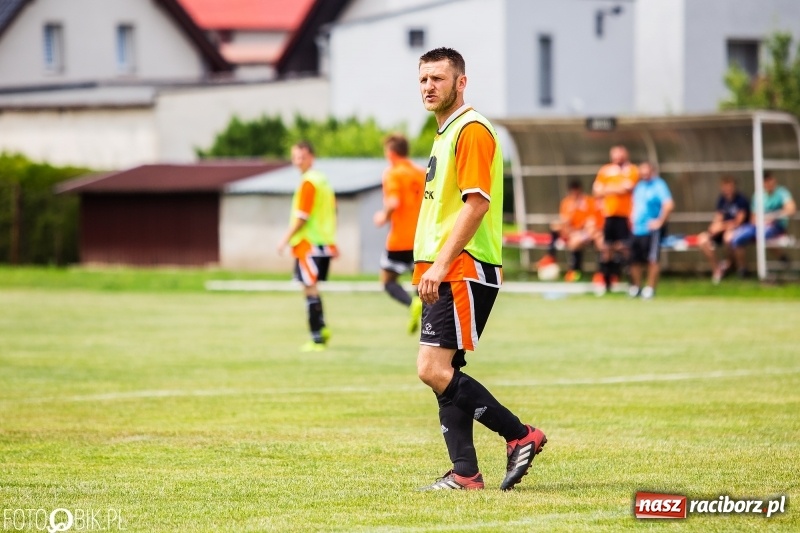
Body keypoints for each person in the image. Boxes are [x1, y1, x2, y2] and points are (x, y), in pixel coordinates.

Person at [413, 47, 546, 492]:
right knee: (443, 371)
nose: (429, 86)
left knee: (432, 368)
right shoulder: (445, 133)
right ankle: (466, 473)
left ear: (460, 82)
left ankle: (520, 435)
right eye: (424, 79)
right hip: (445, 269)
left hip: (460, 268)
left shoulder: (470, 129)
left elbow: (477, 204)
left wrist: (442, 264)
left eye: (438, 78)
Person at [277, 141, 337, 352]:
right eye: (295, 157)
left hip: (308, 244)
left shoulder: (309, 182)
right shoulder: (324, 181)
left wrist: (284, 240)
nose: (298, 161)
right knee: (313, 288)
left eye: (301, 157)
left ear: (312, 156)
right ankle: (322, 327)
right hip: (322, 243)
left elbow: (302, 216)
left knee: (309, 290)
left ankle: (317, 337)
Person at [373, 134, 425, 333]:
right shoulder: (421, 172)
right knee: (420, 282)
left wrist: (383, 216)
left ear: (391, 153)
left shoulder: (393, 173)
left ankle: (412, 304)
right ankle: (424, 318)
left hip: (400, 238)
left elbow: (393, 202)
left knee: (388, 281)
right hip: (421, 237)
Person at [729, 171, 796, 277]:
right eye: (766, 182)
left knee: (763, 234)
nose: (769, 184)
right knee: (737, 238)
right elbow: (753, 218)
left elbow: (791, 209)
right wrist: (762, 221)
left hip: (776, 226)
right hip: (758, 225)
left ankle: (778, 260)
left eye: (771, 181)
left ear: (774, 181)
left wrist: (773, 216)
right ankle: (743, 269)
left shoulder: (782, 192)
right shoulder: (758, 195)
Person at [592, 145, 639, 295]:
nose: (618, 158)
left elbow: (627, 188)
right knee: (606, 249)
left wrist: (608, 188)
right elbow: (596, 190)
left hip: (625, 215)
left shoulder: (632, 170)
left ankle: (632, 284)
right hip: (609, 215)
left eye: (620, 155)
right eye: (615, 155)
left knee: (626, 248)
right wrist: (614, 188)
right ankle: (606, 284)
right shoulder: (606, 170)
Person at [537, 179, 603, 281]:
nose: (575, 194)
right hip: (571, 231)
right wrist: (570, 227)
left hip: (586, 232)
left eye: (576, 191)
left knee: (584, 241)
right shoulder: (567, 202)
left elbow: (591, 222)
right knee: (555, 225)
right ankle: (551, 256)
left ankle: (599, 273)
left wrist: (582, 230)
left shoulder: (589, 201)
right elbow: (565, 220)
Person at [628, 162, 674, 299]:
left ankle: (650, 288)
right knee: (634, 260)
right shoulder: (639, 186)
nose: (644, 175)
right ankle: (636, 287)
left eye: (646, 172)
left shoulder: (659, 185)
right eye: (642, 172)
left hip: (651, 230)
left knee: (652, 259)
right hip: (637, 229)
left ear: (652, 171)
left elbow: (669, 205)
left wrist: (660, 221)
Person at [697, 176, 750, 284]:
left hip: (737, 230)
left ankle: (734, 266)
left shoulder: (741, 200)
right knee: (702, 239)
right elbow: (719, 216)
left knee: (728, 237)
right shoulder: (722, 199)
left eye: (729, 187)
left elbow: (738, 222)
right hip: (722, 230)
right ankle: (717, 269)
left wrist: (721, 226)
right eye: (724, 187)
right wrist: (713, 227)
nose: (727, 190)